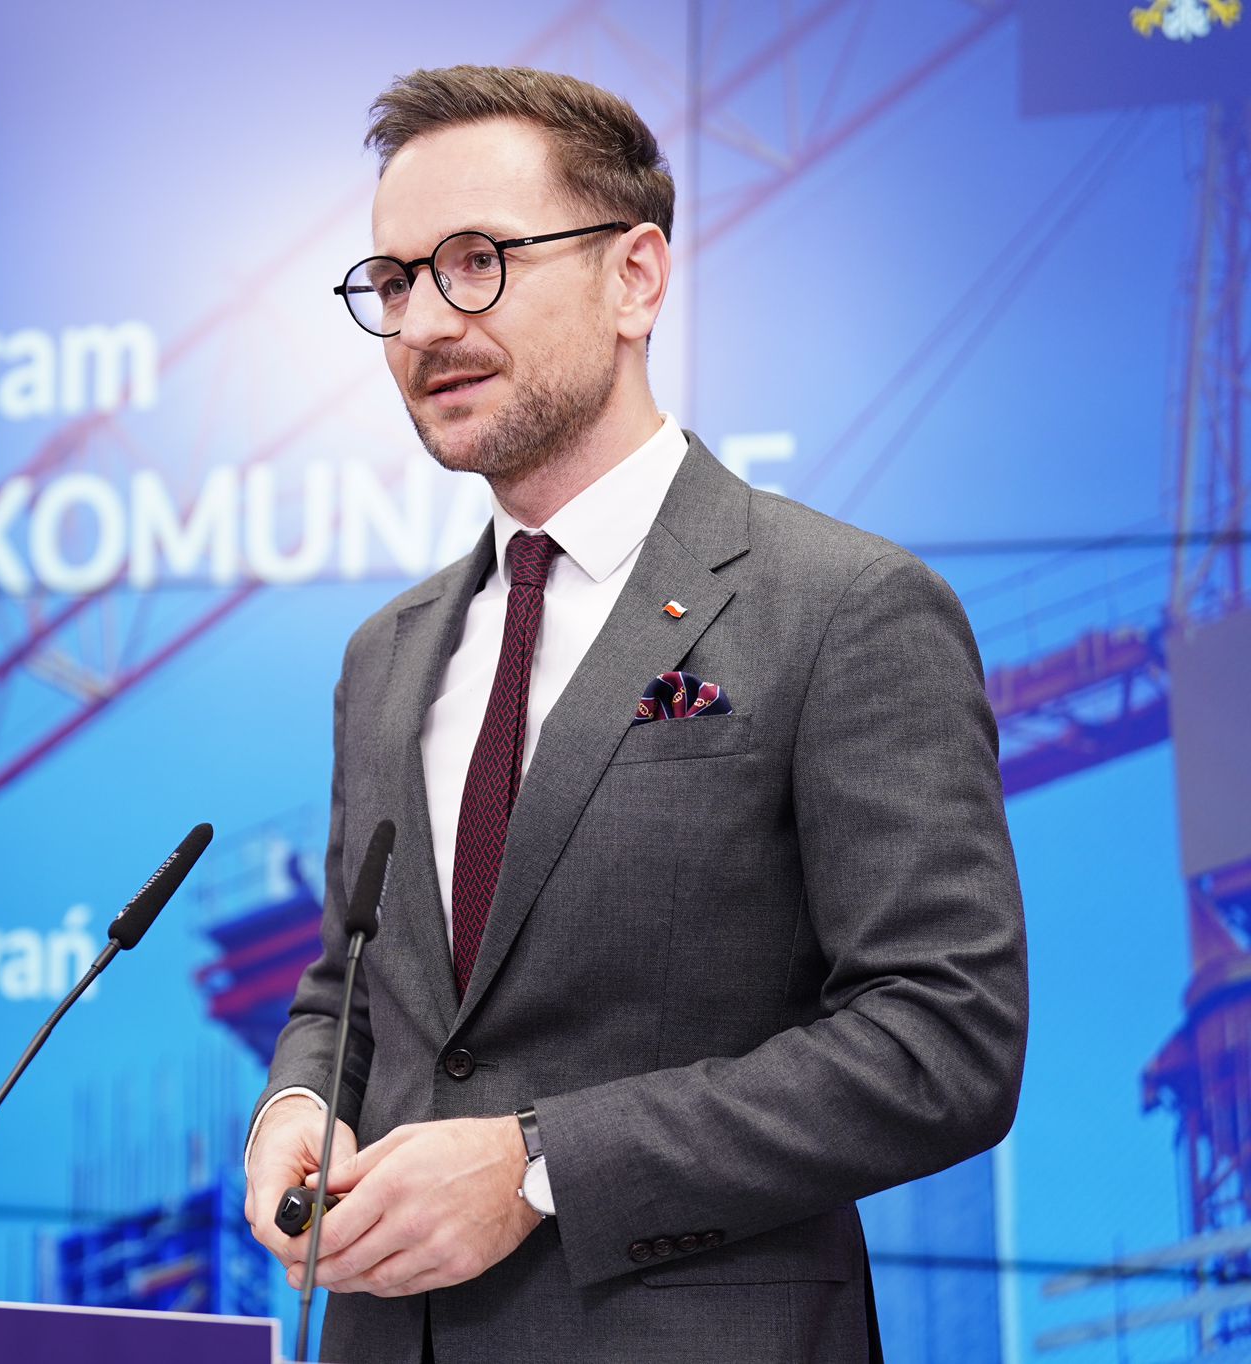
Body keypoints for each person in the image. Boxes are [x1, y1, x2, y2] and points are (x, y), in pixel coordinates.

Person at [242, 65, 1028, 1363]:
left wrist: (539, 1166)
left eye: (478, 262)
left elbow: (944, 1040)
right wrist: (295, 1105)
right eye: (393, 280)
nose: (425, 321)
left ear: (636, 279)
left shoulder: (845, 605)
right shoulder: (386, 655)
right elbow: (350, 991)